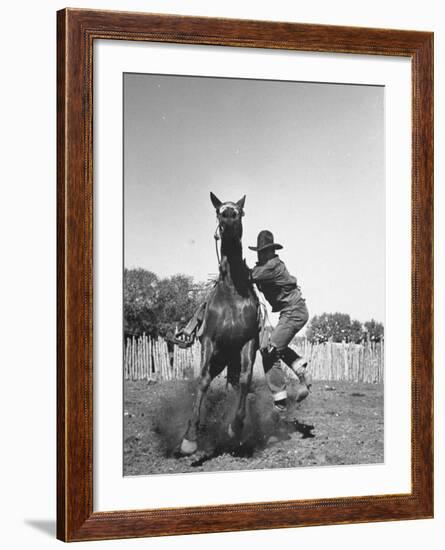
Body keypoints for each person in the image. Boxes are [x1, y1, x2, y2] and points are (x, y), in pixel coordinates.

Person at [174, 230, 311, 412]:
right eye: (260, 251)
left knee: (268, 351)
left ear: (272, 251)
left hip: (294, 312)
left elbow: (247, 276)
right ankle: (302, 374)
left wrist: (229, 267)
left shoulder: (272, 266)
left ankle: (280, 401)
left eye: (265, 251)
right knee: (274, 346)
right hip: (291, 312)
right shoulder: (266, 266)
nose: (262, 254)